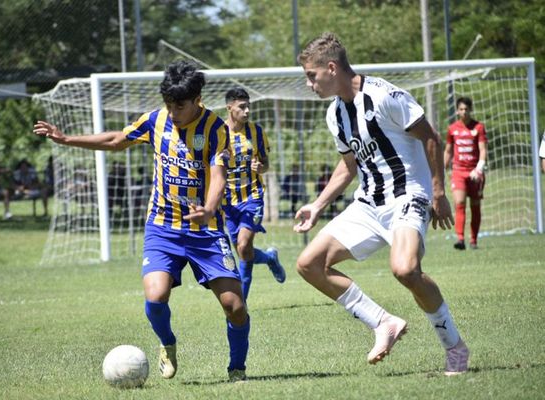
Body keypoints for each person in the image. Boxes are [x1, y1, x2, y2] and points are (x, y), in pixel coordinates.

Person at [33, 60, 250, 382]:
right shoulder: (154, 121)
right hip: (162, 226)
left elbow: (218, 176)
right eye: (168, 105)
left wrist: (208, 208)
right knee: (155, 295)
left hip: (205, 230)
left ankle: (237, 369)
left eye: (180, 105)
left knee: (235, 305)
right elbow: (115, 140)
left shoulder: (215, 129)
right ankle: (168, 343)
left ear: (196, 99)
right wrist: (66, 140)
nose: (173, 112)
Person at [294, 33, 469, 376]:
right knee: (308, 264)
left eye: (312, 76)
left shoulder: (385, 95)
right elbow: (349, 166)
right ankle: (383, 322)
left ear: (332, 68)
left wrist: (437, 191)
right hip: (367, 205)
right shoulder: (336, 115)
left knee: (405, 270)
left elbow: (431, 138)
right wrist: (317, 205)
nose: (309, 84)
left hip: (408, 195)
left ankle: (455, 348)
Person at [222, 87, 286, 301]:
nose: (247, 111)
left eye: (248, 106)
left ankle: (242, 303)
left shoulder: (257, 132)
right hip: (228, 202)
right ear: (229, 107)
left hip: (252, 197)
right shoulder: (217, 134)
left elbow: (266, 163)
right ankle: (269, 258)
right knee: (244, 252)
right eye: (242, 107)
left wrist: (261, 167)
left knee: (243, 245)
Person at [444, 97, 488, 250]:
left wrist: (479, 168)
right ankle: (460, 239)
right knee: (459, 203)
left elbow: (483, 150)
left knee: (475, 206)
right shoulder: (452, 129)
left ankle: (474, 240)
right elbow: (448, 151)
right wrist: (442, 169)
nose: (464, 112)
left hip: (474, 173)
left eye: (466, 109)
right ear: (457, 111)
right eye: (461, 109)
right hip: (458, 172)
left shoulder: (479, 127)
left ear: (471, 110)